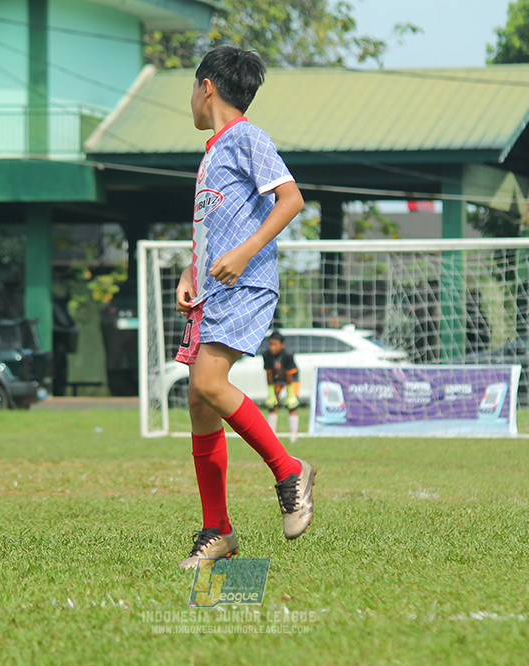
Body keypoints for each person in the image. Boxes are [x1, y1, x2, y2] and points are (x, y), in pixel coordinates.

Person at [174, 46, 314, 569]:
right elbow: (215, 230)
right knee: (198, 400)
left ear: (206, 86)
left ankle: (289, 470)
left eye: (191, 88)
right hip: (215, 288)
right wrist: (193, 270)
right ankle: (218, 530)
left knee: (209, 384)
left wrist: (242, 253)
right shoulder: (212, 152)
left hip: (246, 283)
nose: (190, 98)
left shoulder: (247, 137)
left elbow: (292, 198)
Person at [262, 330, 301, 444]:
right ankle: (271, 436)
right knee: (272, 405)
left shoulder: (288, 354)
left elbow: (290, 374)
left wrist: (290, 394)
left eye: (275, 344)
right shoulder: (267, 355)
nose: (272, 347)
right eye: (270, 344)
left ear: (282, 345)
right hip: (276, 379)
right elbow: (269, 374)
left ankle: (294, 435)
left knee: (292, 405)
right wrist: (271, 393)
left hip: (291, 379)